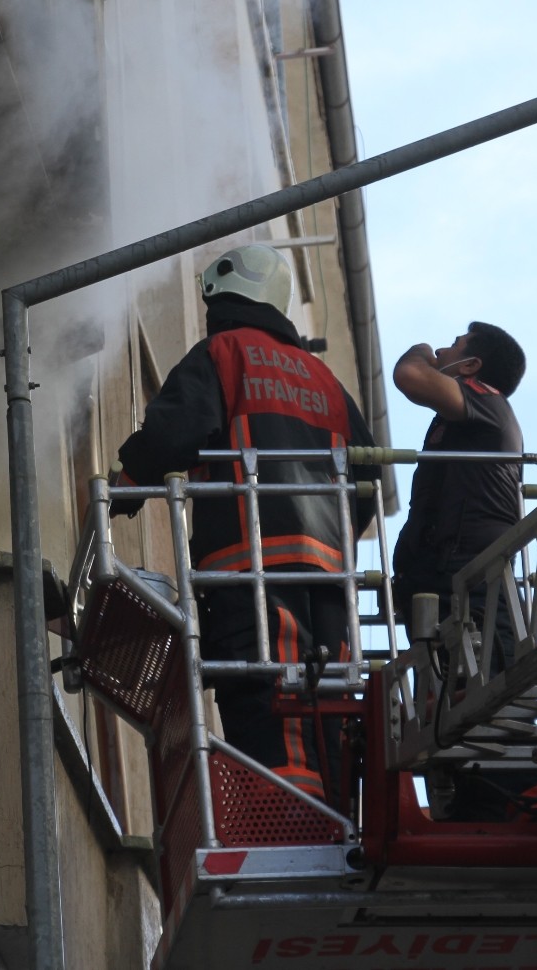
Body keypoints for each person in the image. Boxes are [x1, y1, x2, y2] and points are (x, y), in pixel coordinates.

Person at [112, 243, 376, 801]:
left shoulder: (224, 352)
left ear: (223, 300)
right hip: (329, 582)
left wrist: (128, 483)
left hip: (249, 569)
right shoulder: (326, 381)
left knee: (265, 696)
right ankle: (333, 821)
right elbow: (366, 483)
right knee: (325, 702)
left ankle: (287, 819)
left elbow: (173, 432)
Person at [391, 321, 530, 819]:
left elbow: (409, 373)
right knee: (449, 708)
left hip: (471, 588)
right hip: (446, 585)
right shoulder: (470, 411)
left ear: (470, 367)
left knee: (481, 700)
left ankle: (494, 804)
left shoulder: (485, 402)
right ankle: (466, 807)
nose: (442, 347)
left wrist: (422, 351)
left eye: (455, 345)